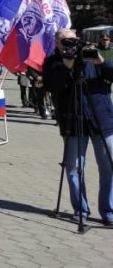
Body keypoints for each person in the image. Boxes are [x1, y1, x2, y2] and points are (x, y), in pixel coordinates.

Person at [43, 28, 113, 226]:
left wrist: (100, 60)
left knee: (109, 165)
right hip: (73, 121)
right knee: (74, 168)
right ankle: (80, 210)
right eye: (66, 41)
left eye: (74, 40)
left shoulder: (90, 55)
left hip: (102, 119)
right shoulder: (53, 62)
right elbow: (52, 86)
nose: (71, 44)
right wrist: (66, 65)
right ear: (57, 43)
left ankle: (109, 211)